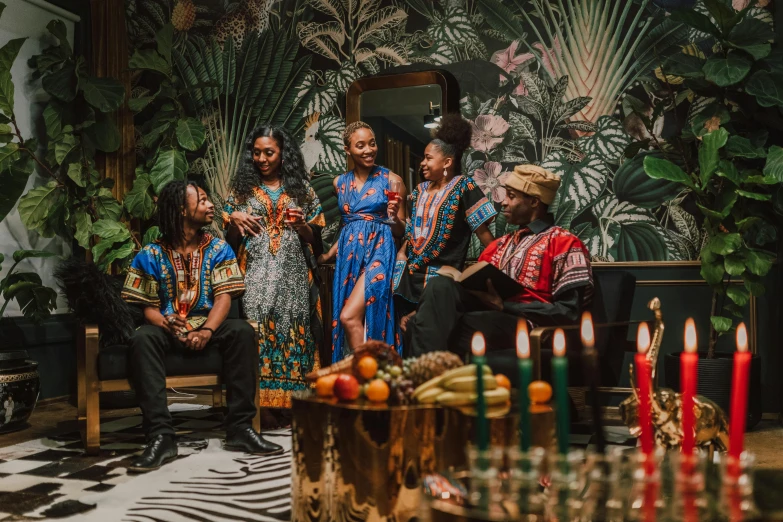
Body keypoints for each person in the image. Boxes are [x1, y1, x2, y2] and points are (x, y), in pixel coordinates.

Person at [122, 180, 283, 473]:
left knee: (242, 331)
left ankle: (240, 429)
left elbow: (224, 297)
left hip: (208, 326)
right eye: (203, 201)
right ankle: (161, 436)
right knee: (142, 339)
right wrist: (168, 323)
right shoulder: (150, 254)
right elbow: (147, 308)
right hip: (168, 329)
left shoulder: (219, 248)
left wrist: (206, 330)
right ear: (183, 210)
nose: (211, 206)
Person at [408, 165, 593, 357]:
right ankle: (429, 378)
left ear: (534, 202)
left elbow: (569, 313)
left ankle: (423, 381)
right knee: (438, 286)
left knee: (438, 328)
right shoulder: (499, 245)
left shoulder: (564, 242)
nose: (503, 202)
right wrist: (423, 311)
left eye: (511, 196)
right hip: (484, 312)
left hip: (527, 324)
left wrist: (505, 306)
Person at [223, 124, 325, 414]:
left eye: (269, 152)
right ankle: (259, 407)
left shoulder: (301, 189)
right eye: (256, 153)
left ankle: (295, 404)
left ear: (283, 154)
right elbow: (229, 242)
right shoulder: (240, 190)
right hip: (254, 272)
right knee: (257, 330)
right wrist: (234, 219)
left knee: (294, 331)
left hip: (293, 273)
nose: (262, 159)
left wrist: (301, 225)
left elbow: (317, 238)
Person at [394, 114, 496, 339]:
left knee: (434, 341)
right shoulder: (419, 191)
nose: (422, 163)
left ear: (447, 162)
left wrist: (495, 273)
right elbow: (413, 234)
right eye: (423, 158)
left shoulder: (464, 186)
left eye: (429, 158)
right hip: (408, 281)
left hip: (441, 283)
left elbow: (484, 235)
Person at [319, 121, 407, 361]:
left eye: (372, 143)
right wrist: (328, 255)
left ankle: (369, 376)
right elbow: (349, 226)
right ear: (347, 150)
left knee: (350, 316)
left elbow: (401, 230)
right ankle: (362, 382)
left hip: (381, 251)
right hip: (349, 256)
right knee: (351, 318)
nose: (369, 150)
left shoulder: (392, 180)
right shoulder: (340, 183)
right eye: (360, 145)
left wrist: (391, 216)